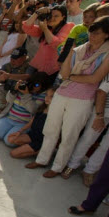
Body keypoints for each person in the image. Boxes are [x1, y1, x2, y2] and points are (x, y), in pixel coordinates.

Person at [26, 17, 109, 178]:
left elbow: (94, 78)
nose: (92, 35)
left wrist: (71, 77)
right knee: (50, 128)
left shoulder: (106, 54)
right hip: (63, 93)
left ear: (106, 35)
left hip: (83, 99)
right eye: (91, 31)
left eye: (97, 33)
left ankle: (57, 167)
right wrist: (71, 72)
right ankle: (42, 159)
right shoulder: (80, 48)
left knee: (69, 135)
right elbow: (64, 72)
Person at [62, 67, 109, 185]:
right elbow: (101, 92)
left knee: (106, 146)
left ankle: (90, 170)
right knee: (88, 138)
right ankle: (72, 164)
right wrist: (99, 116)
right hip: (103, 110)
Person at [0, 72, 49, 146]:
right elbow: (9, 100)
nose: (33, 87)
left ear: (43, 86)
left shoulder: (43, 96)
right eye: (32, 83)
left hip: (23, 123)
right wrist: (14, 90)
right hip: (9, 118)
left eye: (36, 85)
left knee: (9, 141)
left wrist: (26, 95)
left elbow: (32, 110)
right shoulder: (23, 87)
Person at [21, 5, 74, 80]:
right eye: (50, 16)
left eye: (56, 16)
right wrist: (37, 12)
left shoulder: (68, 26)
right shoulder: (47, 28)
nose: (52, 18)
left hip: (54, 70)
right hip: (38, 66)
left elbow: (57, 43)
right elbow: (26, 27)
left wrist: (45, 29)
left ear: (63, 17)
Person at [7, 88, 54, 159]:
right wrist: (20, 131)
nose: (47, 98)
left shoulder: (56, 114)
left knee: (13, 154)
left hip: (41, 140)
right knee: (11, 139)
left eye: (52, 96)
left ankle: (39, 150)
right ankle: (29, 147)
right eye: (46, 95)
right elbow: (31, 122)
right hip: (32, 135)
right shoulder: (42, 107)